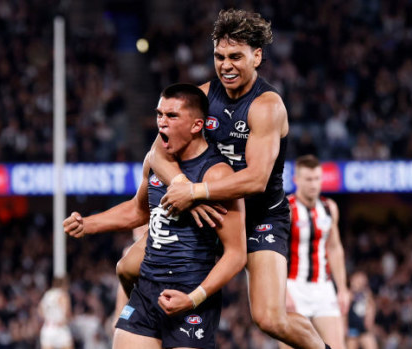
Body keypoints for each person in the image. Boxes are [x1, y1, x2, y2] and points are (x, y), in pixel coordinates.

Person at [118, 8, 328, 349]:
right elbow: (157, 153)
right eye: (219, 56)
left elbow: (256, 179)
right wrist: (181, 187)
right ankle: (152, 327)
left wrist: (197, 190)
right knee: (128, 267)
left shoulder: (266, 106)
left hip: (261, 218)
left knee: (270, 319)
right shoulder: (202, 96)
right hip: (215, 213)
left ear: (257, 56)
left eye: (235, 56)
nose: (225, 65)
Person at [64, 83, 247, 349]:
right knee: (125, 267)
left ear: (197, 125)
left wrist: (193, 298)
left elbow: (236, 253)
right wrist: (88, 223)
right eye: (159, 114)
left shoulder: (217, 175)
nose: (162, 123)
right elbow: (138, 210)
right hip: (148, 289)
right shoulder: (156, 161)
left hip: (189, 296)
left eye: (172, 116)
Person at [282, 155, 349, 349]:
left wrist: (342, 288)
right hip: (293, 286)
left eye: (317, 178)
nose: (313, 184)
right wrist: (283, 292)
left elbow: (335, 248)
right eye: (308, 179)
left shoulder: (329, 208)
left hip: (323, 287)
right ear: (296, 180)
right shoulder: (287, 208)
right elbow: (276, 253)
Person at [38, 277, 74, 349]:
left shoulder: (47, 294)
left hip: (47, 328)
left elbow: (40, 311)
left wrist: (49, 318)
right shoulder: (63, 295)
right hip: (60, 328)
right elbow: (67, 313)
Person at [346, 271, 378, 349]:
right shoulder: (349, 293)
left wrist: (370, 318)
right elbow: (344, 311)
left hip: (364, 327)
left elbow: (371, 306)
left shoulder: (366, 293)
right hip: (352, 326)